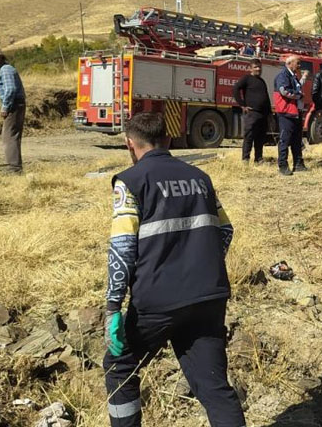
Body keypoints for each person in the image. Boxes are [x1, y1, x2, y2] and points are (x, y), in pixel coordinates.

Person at [102, 112, 246, 427]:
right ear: (167, 140)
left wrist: (113, 306)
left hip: (158, 301)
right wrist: (200, 263)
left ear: (130, 144)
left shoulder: (130, 181)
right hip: (209, 296)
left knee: (119, 367)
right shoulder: (200, 178)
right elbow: (225, 231)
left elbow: (123, 248)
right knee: (214, 386)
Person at [0, 47, 26, 174]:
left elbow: (10, 89)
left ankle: (14, 168)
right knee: (12, 136)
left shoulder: (5, 70)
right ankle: (15, 167)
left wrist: (5, 107)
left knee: (9, 137)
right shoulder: (4, 69)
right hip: (17, 104)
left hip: (14, 105)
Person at [273, 55, 308, 176]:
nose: (299, 66)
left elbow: (296, 88)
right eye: (297, 63)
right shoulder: (283, 76)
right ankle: (283, 165)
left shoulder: (293, 76)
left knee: (297, 140)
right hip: (286, 112)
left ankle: (298, 164)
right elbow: (284, 91)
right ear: (289, 63)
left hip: (295, 112)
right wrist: (299, 95)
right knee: (285, 139)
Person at [233, 59, 271, 164]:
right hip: (252, 113)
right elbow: (236, 89)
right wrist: (242, 105)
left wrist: (269, 113)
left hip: (263, 114)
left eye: (259, 67)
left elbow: (266, 97)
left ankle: (258, 159)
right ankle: (245, 159)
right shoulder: (247, 79)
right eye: (255, 67)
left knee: (260, 138)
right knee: (249, 136)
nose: (258, 69)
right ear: (250, 68)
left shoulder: (262, 81)